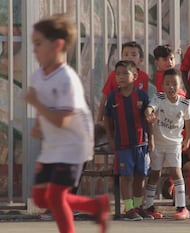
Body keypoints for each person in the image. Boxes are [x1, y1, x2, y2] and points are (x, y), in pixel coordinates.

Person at [25, 14, 109, 233]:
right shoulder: (37, 76)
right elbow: (44, 106)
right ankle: (96, 206)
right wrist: (38, 124)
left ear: (57, 45)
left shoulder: (66, 79)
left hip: (74, 144)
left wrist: (35, 104)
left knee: (56, 196)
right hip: (54, 145)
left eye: (38, 44)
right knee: (41, 198)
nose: (34, 50)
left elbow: (63, 120)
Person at [103, 60, 151, 221]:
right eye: (118, 74)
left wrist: (151, 139)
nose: (121, 77)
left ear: (135, 76)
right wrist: (110, 137)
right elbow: (107, 118)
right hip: (123, 146)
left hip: (141, 144)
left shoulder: (142, 96)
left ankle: (138, 206)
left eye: (125, 73)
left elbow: (149, 119)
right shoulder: (112, 97)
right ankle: (129, 208)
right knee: (127, 176)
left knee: (140, 176)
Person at [143, 68, 190, 220]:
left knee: (176, 172)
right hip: (157, 143)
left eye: (174, 84)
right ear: (162, 85)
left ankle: (182, 207)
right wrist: (149, 114)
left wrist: (188, 138)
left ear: (180, 86)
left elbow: (188, 122)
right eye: (167, 84)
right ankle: (149, 206)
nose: (171, 87)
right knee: (155, 173)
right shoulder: (158, 98)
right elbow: (149, 109)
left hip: (174, 144)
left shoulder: (184, 103)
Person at [97, 41, 150, 123]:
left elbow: (145, 99)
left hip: (137, 119)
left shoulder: (144, 77)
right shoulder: (114, 75)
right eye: (126, 54)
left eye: (134, 55)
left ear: (141, 59)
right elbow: (104, 98)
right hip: (117, 117)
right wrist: (99, 120)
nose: (129, 57)